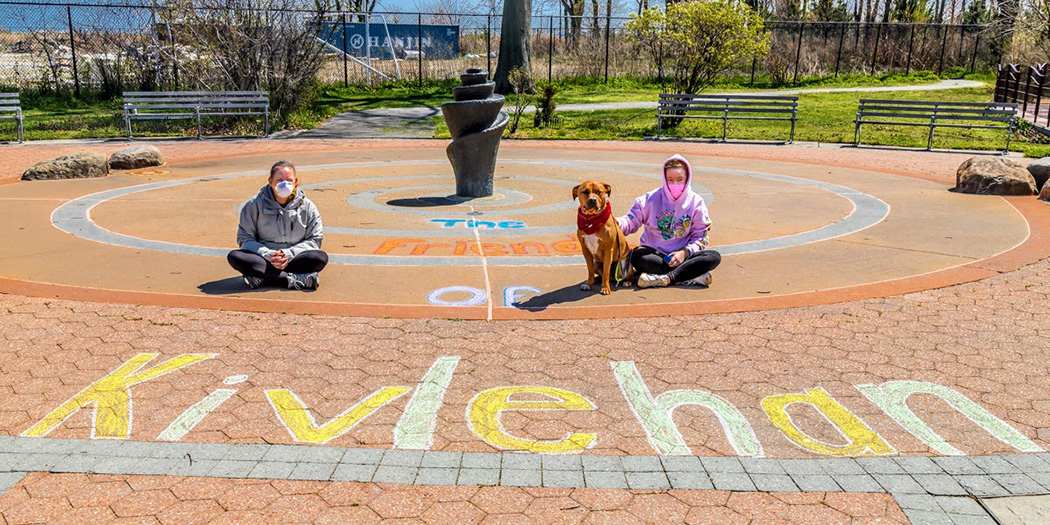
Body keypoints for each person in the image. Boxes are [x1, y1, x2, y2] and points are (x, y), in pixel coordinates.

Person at [617, 154, 721, 288]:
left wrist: (684, 252)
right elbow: (630, 221)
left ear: (687, 179)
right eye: (670, 180)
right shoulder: (650, 199)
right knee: (637, 256)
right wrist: (615, 223)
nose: (675, 184)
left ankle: (665, 278)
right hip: (656, 256)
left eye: (680, 179)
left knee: (713, 257)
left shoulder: (696, 202)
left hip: (684, 255)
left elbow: (701, 236)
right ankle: (689, 275)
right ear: (664, 179)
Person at [227, 160, 327, 290]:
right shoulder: (254, 205)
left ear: (296, 181)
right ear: (270, 181)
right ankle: (294, 280)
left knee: (319, 257)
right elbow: (244, 238)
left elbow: (315, 239)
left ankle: (262, 277)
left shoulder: (308, 207)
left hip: (294, 257)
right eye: (279, 180)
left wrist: (288, 254)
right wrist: (268, 254)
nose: (284, 184)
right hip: (264, 258)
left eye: (289, 180)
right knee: (235, 257)